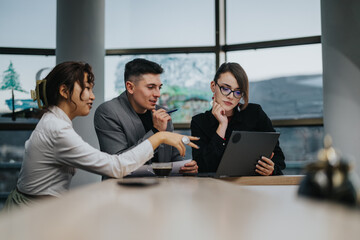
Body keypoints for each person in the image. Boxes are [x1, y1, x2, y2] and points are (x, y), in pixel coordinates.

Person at [3, 61, 198, 211]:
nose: (92, 96)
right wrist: (158, 136)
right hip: (33, 210)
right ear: (64, 91)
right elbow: (116, 166)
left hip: (42, 205)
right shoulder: (57, 129)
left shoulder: (55, 122)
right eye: (86, 88)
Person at [94, 58, 198, 174]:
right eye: (150, 87)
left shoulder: (162, 113)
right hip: (123, 189)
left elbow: (173, 158)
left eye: (159, 87)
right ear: (130, 87)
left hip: (162, 189)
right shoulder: (108, 112)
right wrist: (156, 131)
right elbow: (119, 164)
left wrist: (185, 167)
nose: (158, 94)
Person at [191, 62, 285, 175]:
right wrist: (222, 126)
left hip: (252, 186)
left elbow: (279, 159)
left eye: (238, 91)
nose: (231, 96)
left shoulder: (254, 113)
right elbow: (203, 167)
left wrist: (271, 169)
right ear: (213, 86)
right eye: (225, 89)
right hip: (214, 189)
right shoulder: (199, 122)